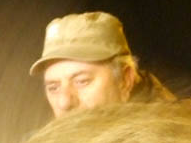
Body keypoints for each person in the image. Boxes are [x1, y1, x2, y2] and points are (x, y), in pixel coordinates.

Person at [30, 11, 174, 117]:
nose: (64, 103)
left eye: (82, 81)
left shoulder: (170, 138)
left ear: (125, 80)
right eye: (53, 88)